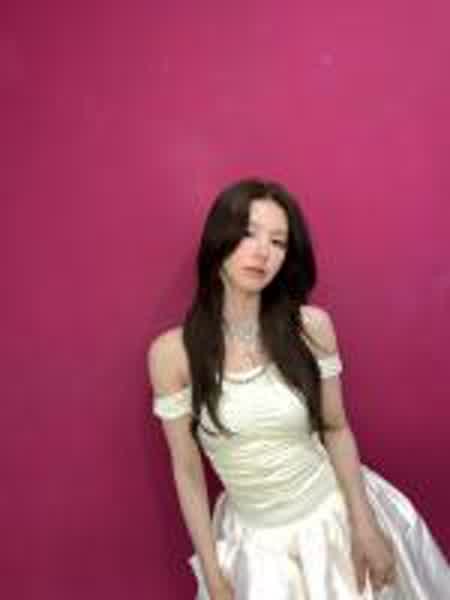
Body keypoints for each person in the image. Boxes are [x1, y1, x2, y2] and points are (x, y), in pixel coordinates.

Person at [148, 178, 450, 599]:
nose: (262, 251)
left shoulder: (311, 328)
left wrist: (364, 524)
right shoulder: (172, 355)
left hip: (335, 517)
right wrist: (212, 571)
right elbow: (187, 469)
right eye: (249, 233)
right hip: (256, 548)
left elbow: (336, 428)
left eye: (278, 241)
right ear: (219, 240)